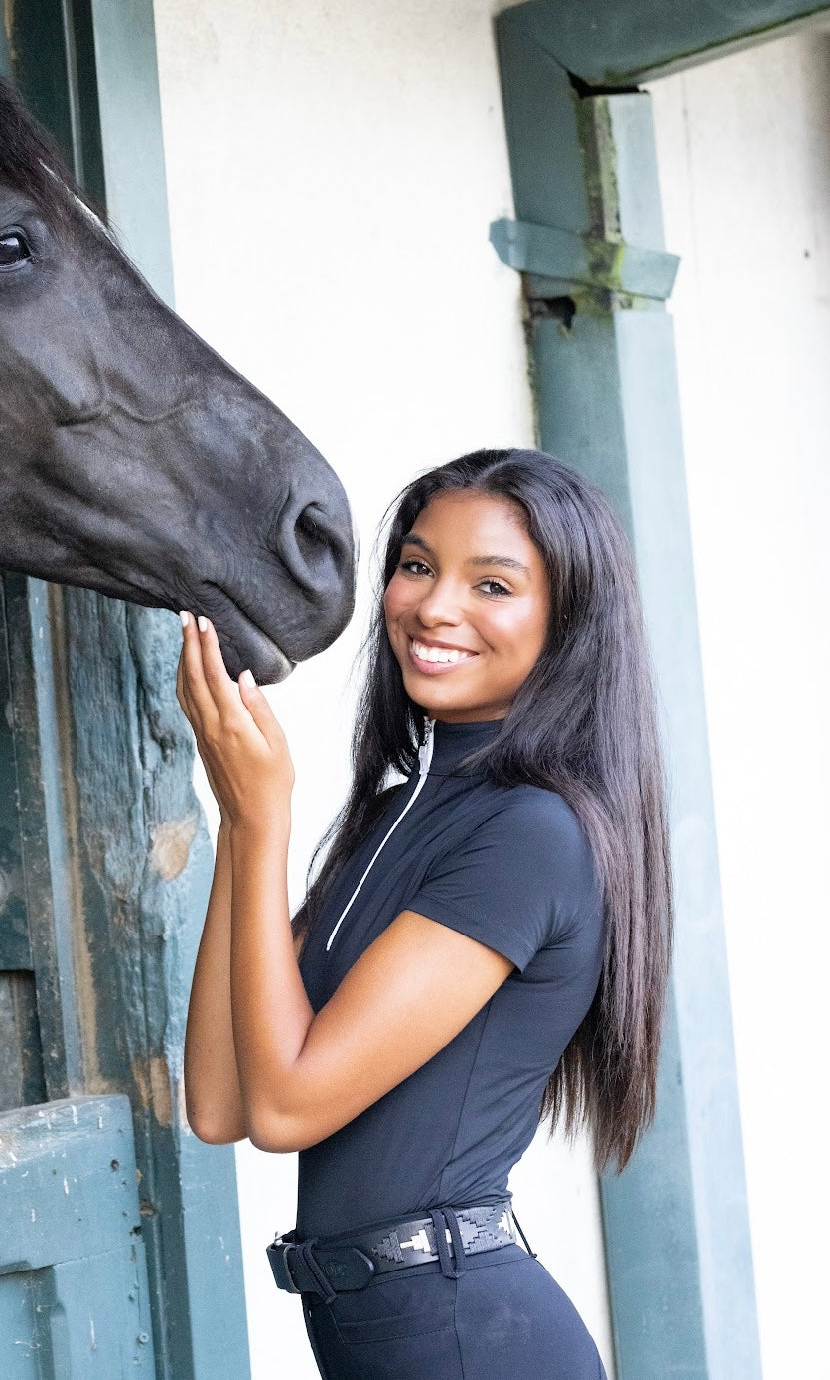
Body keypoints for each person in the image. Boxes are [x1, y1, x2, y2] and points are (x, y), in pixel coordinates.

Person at [177, 447, 671, 1380]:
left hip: (469, 1340)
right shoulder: (399, 809)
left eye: (493, 584)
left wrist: (262, 813)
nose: (435, 607)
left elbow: (285, 1106)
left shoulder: (531, 833)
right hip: (389, 1339)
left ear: (568, 622)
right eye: (416, 565)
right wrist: (241, 831)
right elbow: (220, 1098)